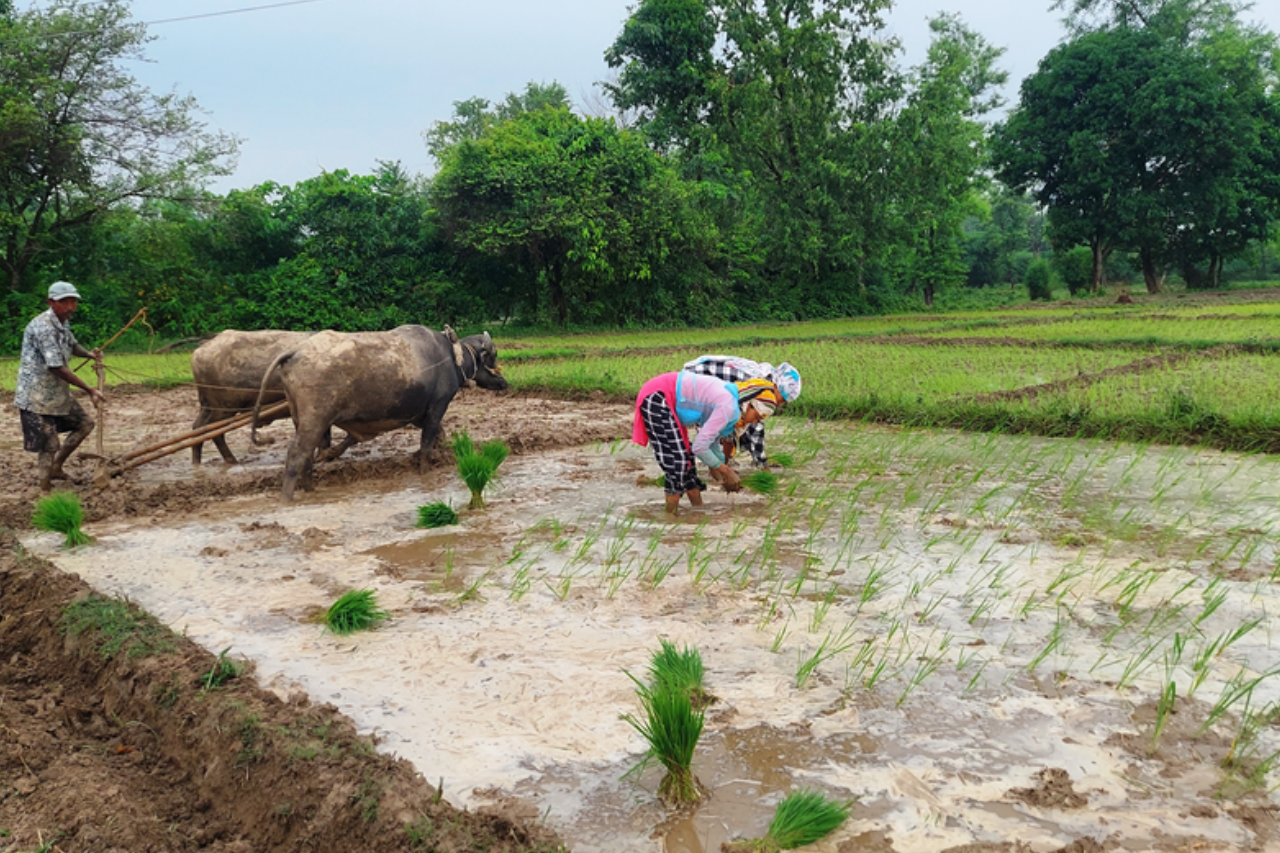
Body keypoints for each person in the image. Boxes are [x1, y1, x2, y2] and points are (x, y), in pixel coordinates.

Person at [633, 370, 782, 514]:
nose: (754, 421)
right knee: (678, 461)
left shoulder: (733, 409)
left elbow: (713, 443)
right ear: (750, 405)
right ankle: (670, 517)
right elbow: (699, 447)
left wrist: (721, 474)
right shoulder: (728, 407)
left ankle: (697, 511)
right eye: (757, 416)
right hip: (658, 396)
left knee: (687, 461)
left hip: (668, 398)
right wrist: (726, 471)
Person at [14, 281, 105, 490]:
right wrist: (90, 390)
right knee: (48, 444)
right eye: (64, 302)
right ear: (51, 302)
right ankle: (44, 488)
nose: (70, 307)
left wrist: (88, 354)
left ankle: (57, 467)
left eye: (73, 301)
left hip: (56, 393)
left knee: (85, 424)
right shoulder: (44, 327)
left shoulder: (62, 322)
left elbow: (72, 345)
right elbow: (56, 367)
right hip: (36, 396)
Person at [682, 355, 801, 468]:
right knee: (711, 431)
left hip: (702, 380)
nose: (779, 404)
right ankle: (708, 467)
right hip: (696, 380)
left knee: (726, 430)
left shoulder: (764, 385)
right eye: (782, 399)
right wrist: (762, 463)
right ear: (777, 386)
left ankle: (719, 465)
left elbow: (744, 422)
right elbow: (754, 426)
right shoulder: (757, 387)